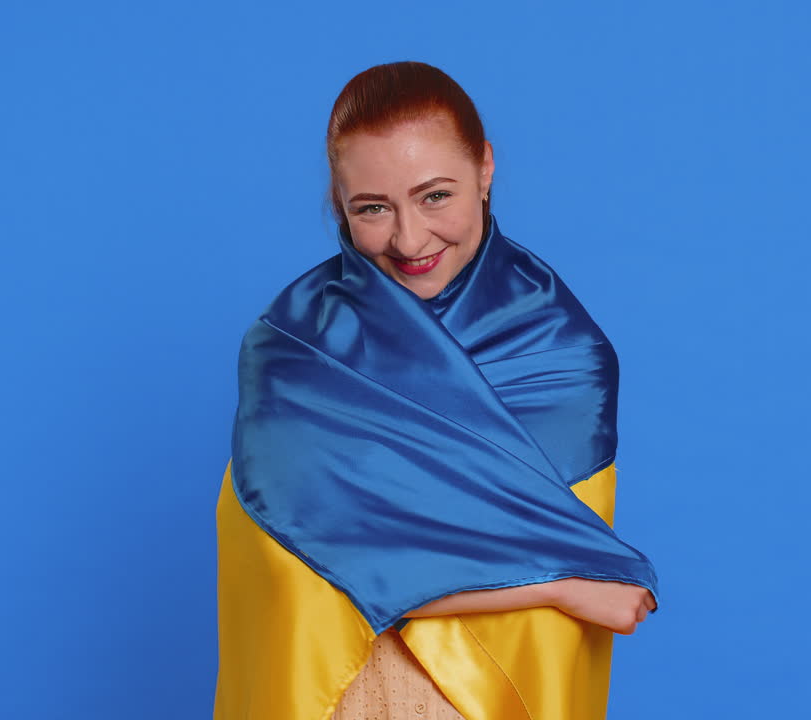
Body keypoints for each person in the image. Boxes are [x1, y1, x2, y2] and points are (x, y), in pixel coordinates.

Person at [213, 61, 660, 720]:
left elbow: (360, 542)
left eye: (435, 196)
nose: (409, 238)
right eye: (372, 208)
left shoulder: (561, 355)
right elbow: (303, 557)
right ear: (339, 202)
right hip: (333, 697)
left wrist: (553, 575)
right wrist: (562, 582)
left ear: (484, 168)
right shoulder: (293, 351)